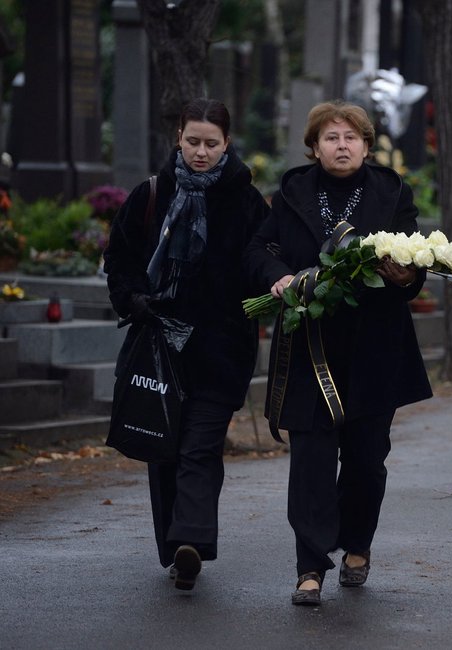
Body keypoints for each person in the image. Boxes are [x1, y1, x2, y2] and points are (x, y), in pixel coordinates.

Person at [244, 100, 432, 607]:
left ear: (367, 146)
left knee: (367, 461)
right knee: (310, 458)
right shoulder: (292, 192)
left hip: (375, 348)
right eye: (331, 137)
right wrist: (276, 276)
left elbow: (414, 261)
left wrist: (407, 274)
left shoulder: (392, 191)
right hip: (311, 346)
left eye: (351, 137)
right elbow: (258, 249)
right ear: (315, 146)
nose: (342, 145)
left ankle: (357, 544)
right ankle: (309, 567)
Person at [103, 98, 269, 591]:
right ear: (178, 136)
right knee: (165, 451)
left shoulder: (245, 202)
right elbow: (121, 257)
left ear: (227, 144)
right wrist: (133, 300)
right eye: (193, 141)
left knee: (200, 447)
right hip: (159, 343)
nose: (201, 152)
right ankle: (177, 546)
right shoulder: (151, 194)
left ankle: (190, 540)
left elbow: (261, 260)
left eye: (211, 144)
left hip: (221, 348)